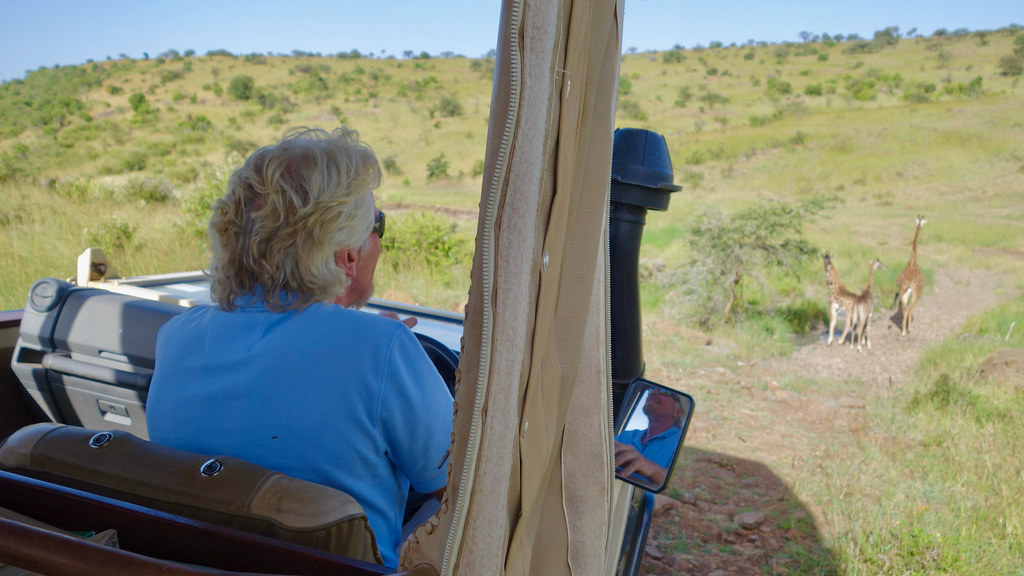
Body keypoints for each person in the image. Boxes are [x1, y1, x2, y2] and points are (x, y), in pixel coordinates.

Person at [146, 126, 453, 569]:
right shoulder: (382, 349)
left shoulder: (177, 337)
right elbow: (466, 490)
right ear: (348, 255)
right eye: (376, 224)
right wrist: (380, 347)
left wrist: (362, 338)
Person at [614, 387, 685, 486]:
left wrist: (652, 469)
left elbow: (681, 481)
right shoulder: (627, 435)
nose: (653, 393)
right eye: (651, 390)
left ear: (677, 412)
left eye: (664, 391)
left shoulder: (681, 441)